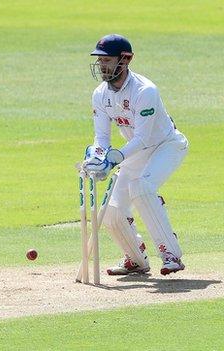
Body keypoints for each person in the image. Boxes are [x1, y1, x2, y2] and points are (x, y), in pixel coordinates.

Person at [83, 34, 189, 276]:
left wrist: (114, 159)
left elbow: (142, 138)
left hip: (166, 145)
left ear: (125, 60)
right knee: (110, 209)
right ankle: (135, 259)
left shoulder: (145, 90)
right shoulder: (100, 94)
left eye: (107, 60)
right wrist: (97, 158)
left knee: (142, 188)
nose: (102, 66)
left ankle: (170, 254)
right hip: (134, 151)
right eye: (100, 61)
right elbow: (102, 139)